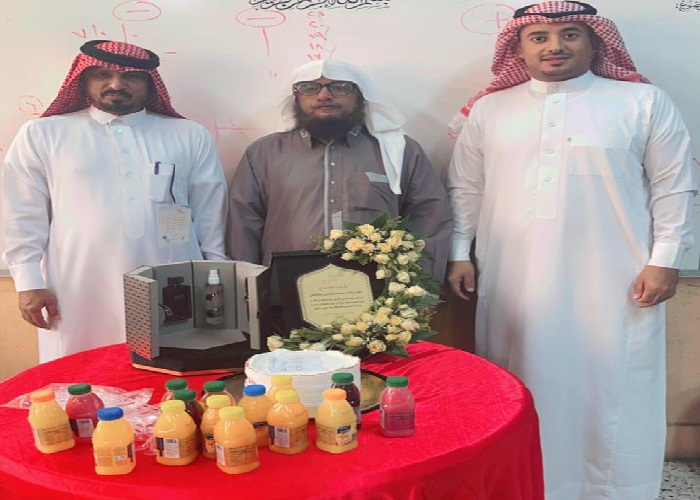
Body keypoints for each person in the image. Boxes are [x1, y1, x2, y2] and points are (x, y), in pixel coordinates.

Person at [446, 2, 698, 499]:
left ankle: (616, 489)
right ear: (519, 48)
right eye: (538, 37)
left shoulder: (642, 101)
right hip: (514, 277)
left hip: (617, 281)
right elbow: (466, 187)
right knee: (520, 381)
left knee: (613, 384)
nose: (554, 46)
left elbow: (674, 185)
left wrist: (666, 259)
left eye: (570, 34)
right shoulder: (491, 110)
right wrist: (459, 251)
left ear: (594, 41)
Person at [2, 40, 228, 362]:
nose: (116, 84)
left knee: (169, 367)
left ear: (149, 84)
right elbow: (22, 212)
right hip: (77, 282)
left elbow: (210, 212)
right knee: (80, 371)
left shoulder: (189, 134)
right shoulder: (43, 134)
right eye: (102, 74)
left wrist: (216, 275)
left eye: (131, 76)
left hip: (172, 279)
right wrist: (28, 281)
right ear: (83, 79)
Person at [227, 59, 452, 283]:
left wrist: (417, 287)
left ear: (360, 95)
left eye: (340, 87)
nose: (324, 95)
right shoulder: (265, 153)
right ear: (296, 97)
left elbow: (429, 220)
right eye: (309, 87)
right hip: (286, 288)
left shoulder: (398, 150)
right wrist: (249, 288)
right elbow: (244, 224)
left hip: (380, 292)